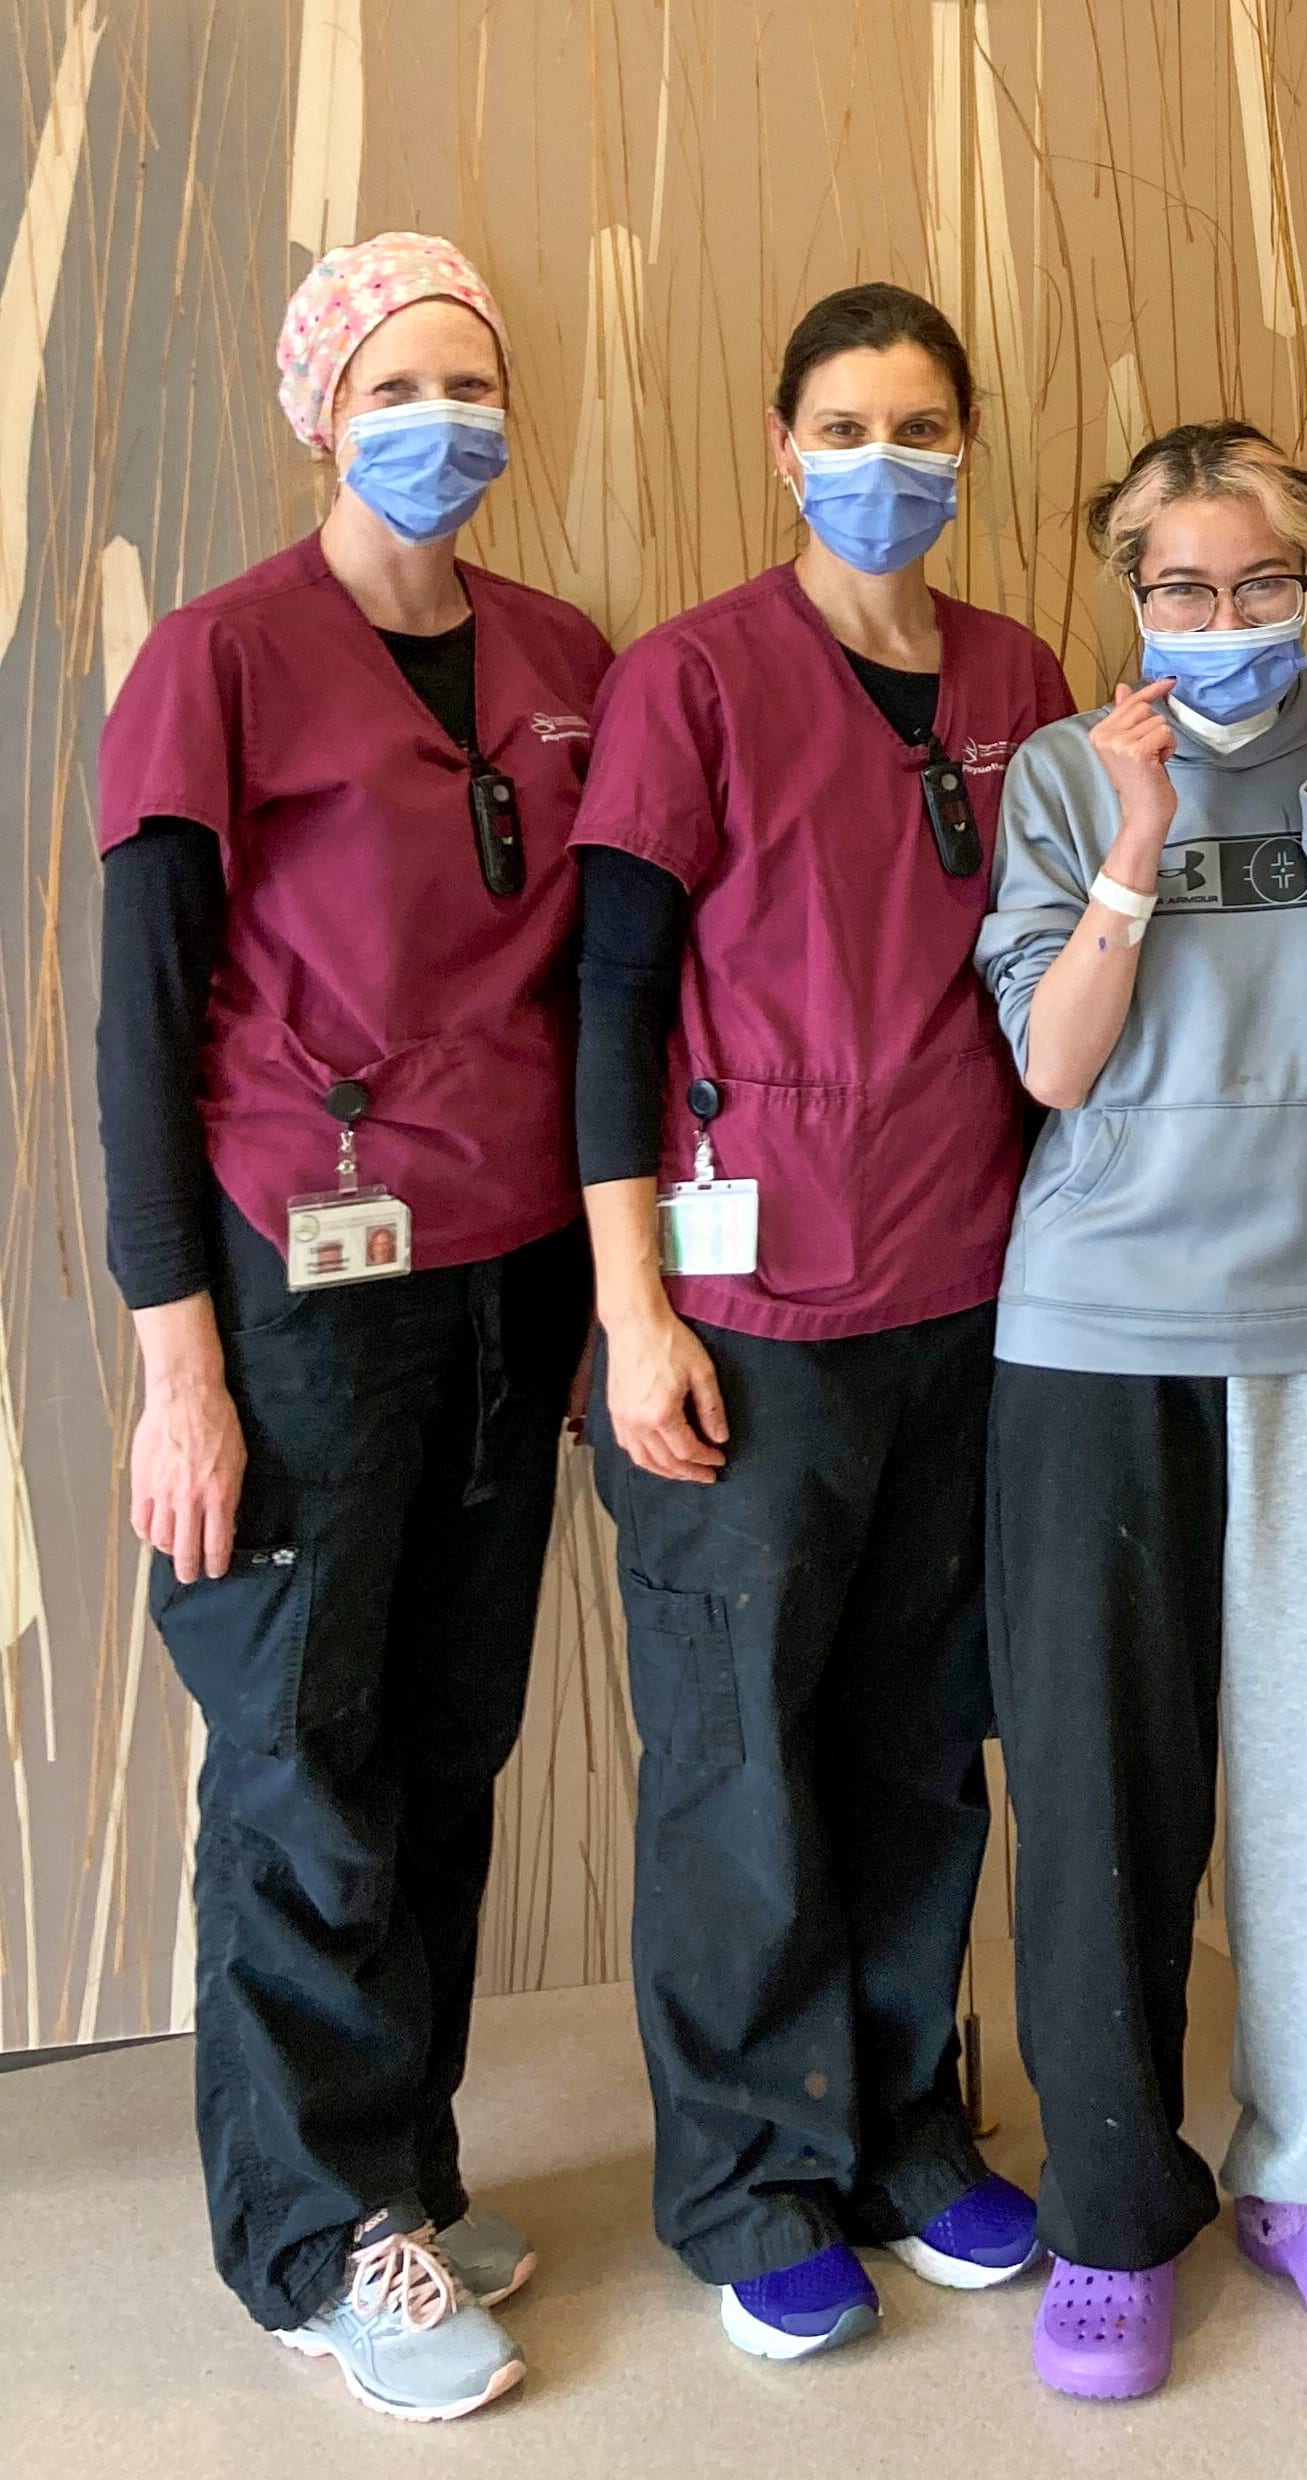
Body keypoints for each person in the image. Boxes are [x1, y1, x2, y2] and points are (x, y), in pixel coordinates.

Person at [96, 232, 607, 2421]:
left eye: (474, 381)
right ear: (322, 408)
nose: (443, 419)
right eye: (399, 380)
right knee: (304, 1756)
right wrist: (178, 1366)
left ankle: (402, 2156)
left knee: (443, 1746)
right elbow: (136, 1037)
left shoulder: (565, 659)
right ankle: (318, 2237)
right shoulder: (216, 664)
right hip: (297, 1300)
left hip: (507, 1284)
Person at [569, 282, 1073, 2362]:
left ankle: (900, 2134)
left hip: (965, 1289)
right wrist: (632, 1310)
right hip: (747, 1314)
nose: (890, 462)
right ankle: (752, 2174)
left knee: (916, 1741)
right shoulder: (691, 681)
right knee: (737, 1759)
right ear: (781, 444)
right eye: (849, 426)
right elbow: (603, 1006)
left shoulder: (1020, 674)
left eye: (926, 424)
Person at [977, 421, 1307, 2401]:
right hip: (1095, 1331)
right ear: (1130, 593)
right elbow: (1057, 1066)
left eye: (1267, 582)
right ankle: (1109, 2199)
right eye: (1187, 586)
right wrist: (1140, 835)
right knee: (1099, 1786)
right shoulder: (1065, 773)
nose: (1232, 619)